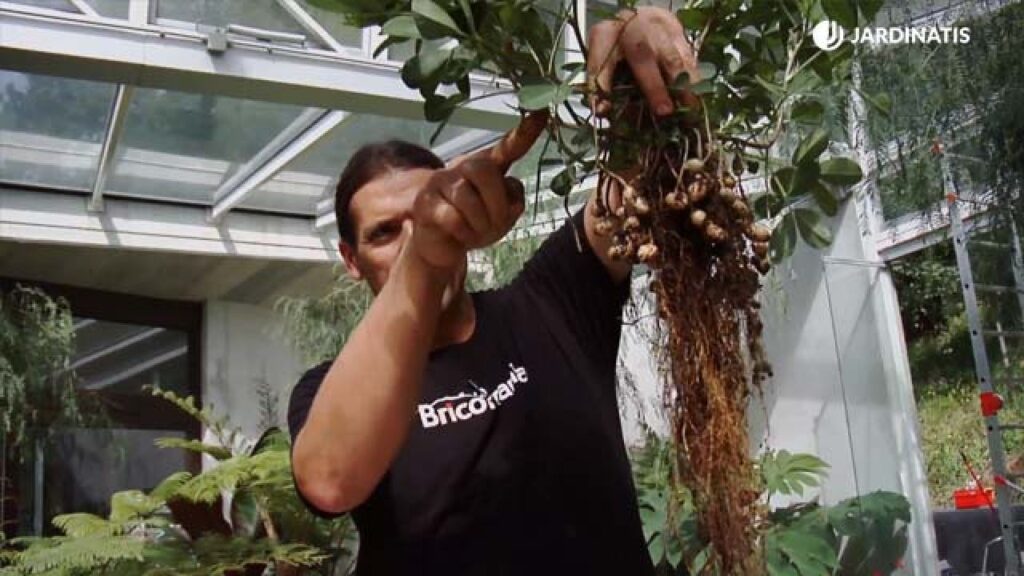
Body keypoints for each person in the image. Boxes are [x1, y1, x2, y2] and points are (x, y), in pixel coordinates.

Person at [287, 6, 698, 575]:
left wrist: (635, 51)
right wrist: (425, 254)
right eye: (385, 233)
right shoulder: (329, 389)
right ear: (351, 261)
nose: (414, 239)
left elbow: (635, 177)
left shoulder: (552, 302)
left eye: (429, 214)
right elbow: (331, 479)